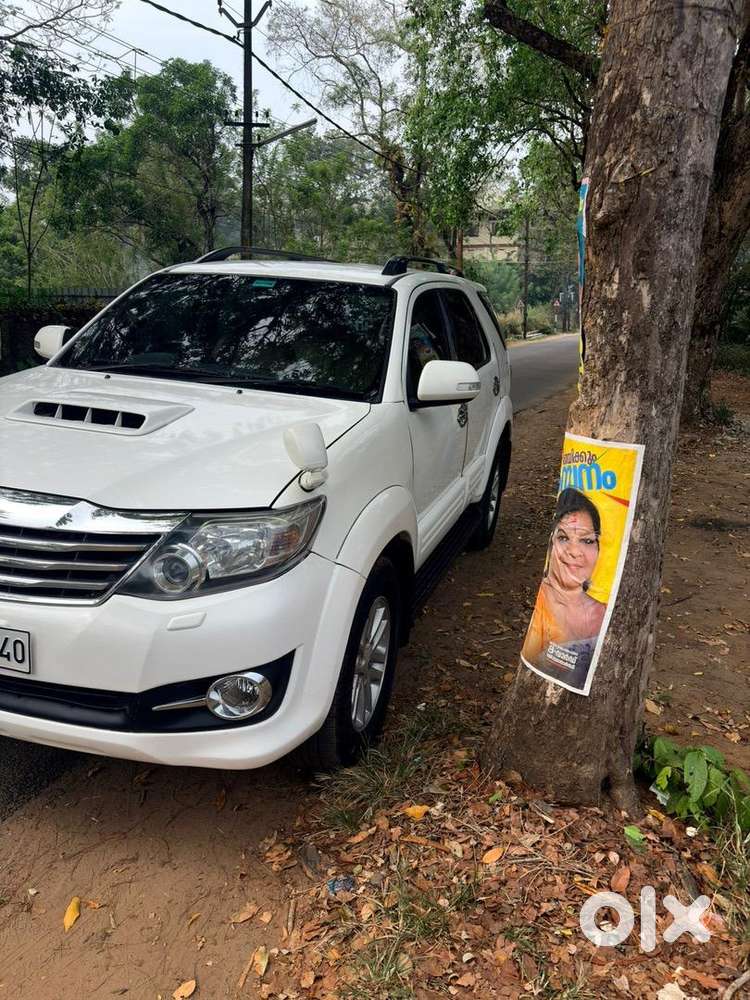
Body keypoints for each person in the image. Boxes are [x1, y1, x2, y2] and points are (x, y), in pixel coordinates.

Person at [521, 488, 606, 690]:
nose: (574, 552)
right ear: (552, 544)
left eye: (587, 540)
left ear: (598, 548)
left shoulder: (604, 613)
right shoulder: (545, 605)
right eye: (564, 538)